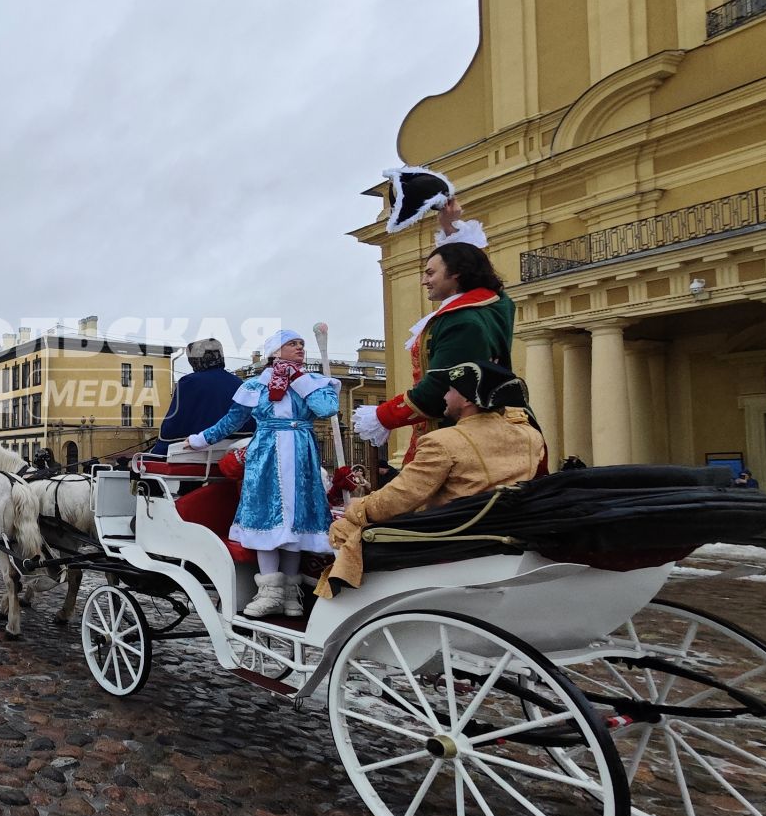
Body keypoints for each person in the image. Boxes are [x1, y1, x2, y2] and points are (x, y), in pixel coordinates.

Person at [325, 361, 546, 594]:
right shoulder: (530, 436)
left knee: (344, 528)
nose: (445, 395)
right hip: (504, 531)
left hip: (451, 537)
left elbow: (398, 499)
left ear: (468, 400)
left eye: (451, 389)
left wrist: (356, 508)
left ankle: (348, 597)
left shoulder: (444, 441)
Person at [186, 328, 340, 618]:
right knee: (265, 519)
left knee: (297, 525)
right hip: (266, 455)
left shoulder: (312, 382)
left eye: (302, 344)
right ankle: (269, 592)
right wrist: (200, 440)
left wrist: (299, 379)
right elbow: (231, 421)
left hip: (301, 455)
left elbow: (326, 409)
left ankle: (291, 594)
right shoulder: (257, 385)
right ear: (274, 352)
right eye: (292, 344)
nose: (299, 348)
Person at [354, 201, 513, 461]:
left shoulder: (462, 320)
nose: (424, 280)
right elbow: (473, 265)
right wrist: (451, 230)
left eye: (430, 273)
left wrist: (381, 416)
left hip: (456, 434)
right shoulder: (494, 304)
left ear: (457, 274)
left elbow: (438, 387)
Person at [153, 339, 249, 454]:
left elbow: (173, 425)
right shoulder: (239, 383)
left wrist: (158, 450)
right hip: (236, 452)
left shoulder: (189, 382)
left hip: (195, 453)